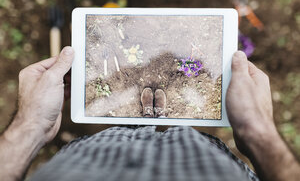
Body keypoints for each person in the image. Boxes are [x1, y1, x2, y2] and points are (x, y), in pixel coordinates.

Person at [0, 46, 299, 181]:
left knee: (110, 143)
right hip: (205, 172)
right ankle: (161, 121)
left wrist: (30, 127)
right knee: (189, 145)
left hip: (87, 171)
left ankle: (140, 123)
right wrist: (256, 131)